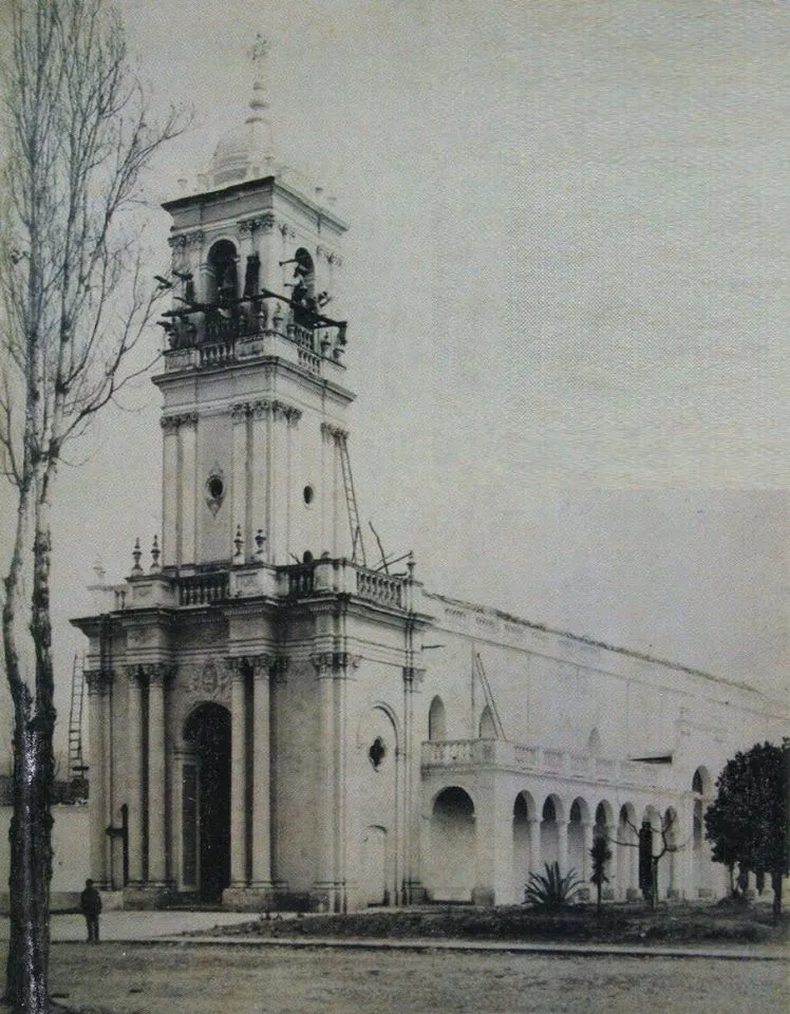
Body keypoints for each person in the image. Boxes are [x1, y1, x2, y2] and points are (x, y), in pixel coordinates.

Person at [80, 878, 102, 944]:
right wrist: (99, 909)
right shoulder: (95, 892)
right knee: (94, 925)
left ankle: (92, 938)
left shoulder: (84, 893)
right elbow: (99, 902)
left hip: (90, 911)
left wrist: (84, 911)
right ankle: (95, 938)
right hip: (93, 911)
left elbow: (83, 903)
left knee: (91, 925)